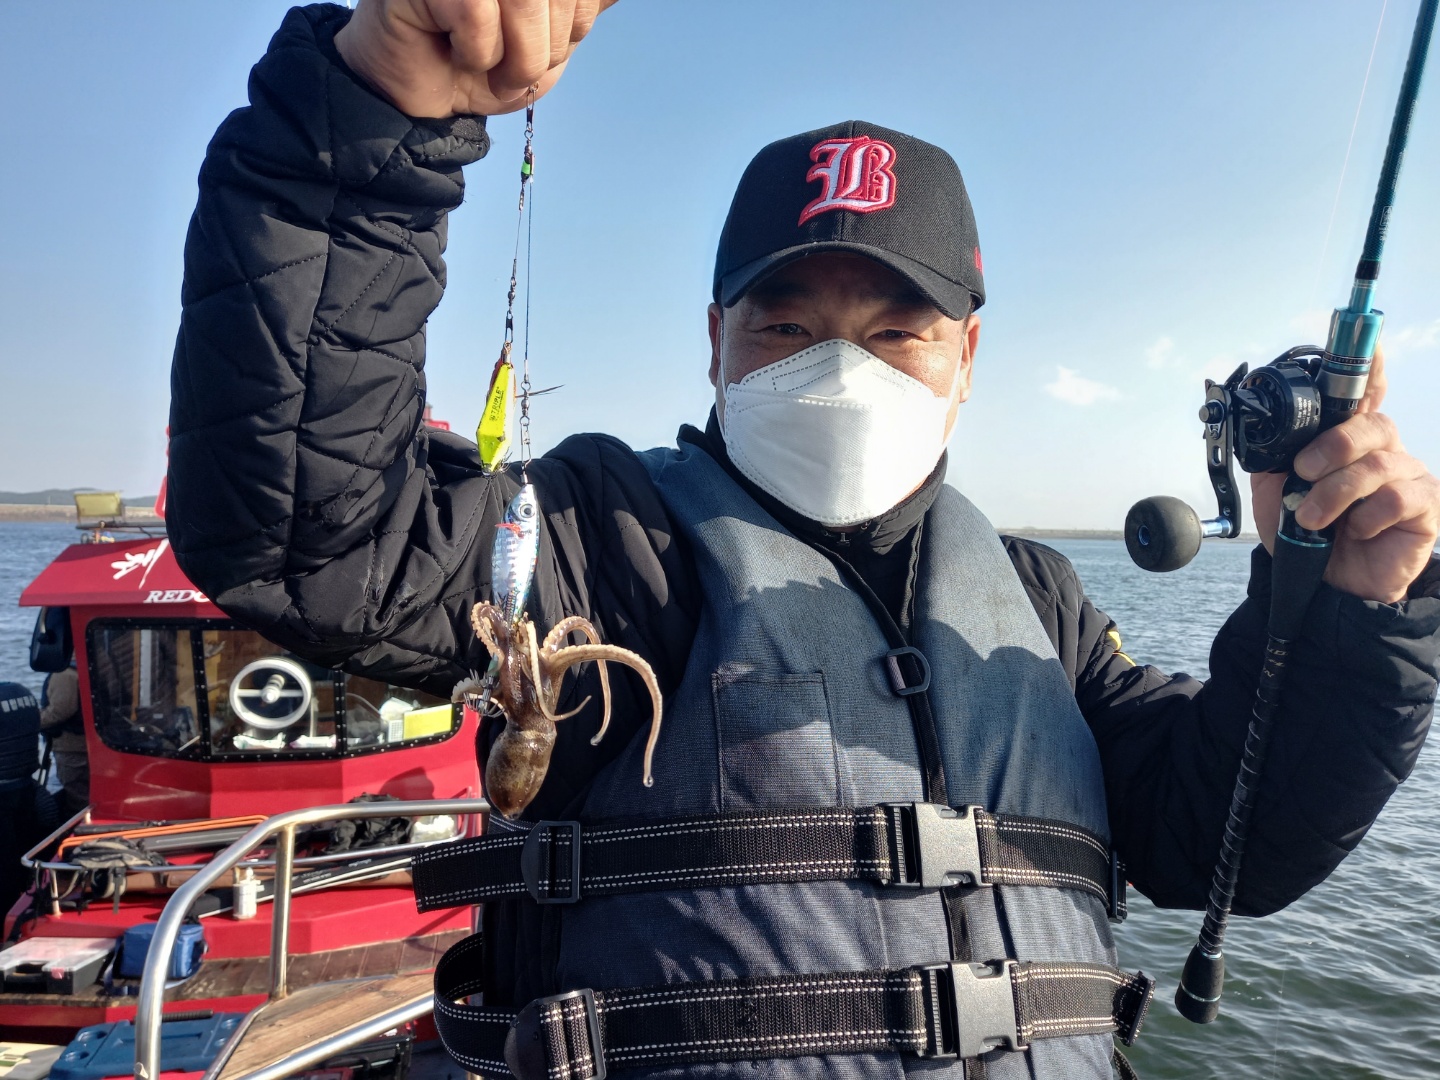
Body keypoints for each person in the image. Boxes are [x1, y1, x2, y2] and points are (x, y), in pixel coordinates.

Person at [164, 4, 1440, 1078]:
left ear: (966, 358)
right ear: (714, 341)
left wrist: (1349, 620)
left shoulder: (1038, 601)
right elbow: (312, 531)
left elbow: (1227, 838)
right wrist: (376, 115)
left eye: (895, 333)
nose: (840, 370)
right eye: (784, 328)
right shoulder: (606, 539)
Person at [0, 681, 43, 914]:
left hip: (5, 794)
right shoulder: (20, 692)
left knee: (6, 864)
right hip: (26, 787)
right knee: (25, 850)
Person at [39, 661, 88, 818]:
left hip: (72, 749)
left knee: (77, 799)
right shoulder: (84, 666)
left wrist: (31, 720)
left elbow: (59, 712)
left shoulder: (64, 674)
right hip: (85, 746)